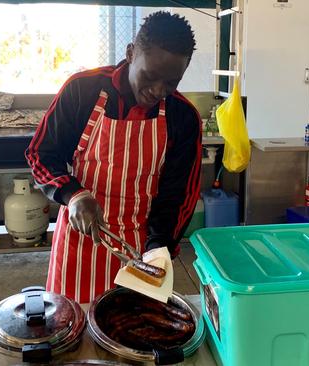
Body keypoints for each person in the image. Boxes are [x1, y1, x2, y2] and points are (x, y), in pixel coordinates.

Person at [25, 11, 202, 303]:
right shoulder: (83, 90)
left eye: (171, 83)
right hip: (80, 239)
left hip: (142, 246)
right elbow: (41, 153)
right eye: (150, 76)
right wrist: (73, 195)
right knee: (73, 331)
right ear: (131, 53)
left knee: (134, 334)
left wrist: (159, 250)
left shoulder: (182, 117)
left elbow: (179, 195)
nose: (158, 90)